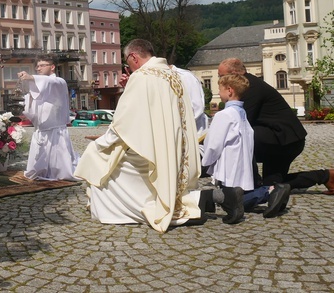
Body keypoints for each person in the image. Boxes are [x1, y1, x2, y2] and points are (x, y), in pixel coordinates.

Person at [75, 39, 242, 232]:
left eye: (126, 61)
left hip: (153, 148)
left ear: (133, 57)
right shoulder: (174, 75)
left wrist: (104, 142)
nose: (127, 65)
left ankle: (152, 210)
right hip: (177, 146)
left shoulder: (142, 77)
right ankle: (213, 198)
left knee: (102, 163)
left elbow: (124, 121)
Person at [218, 58, 334, 193]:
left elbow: (240, 123)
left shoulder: (250, 88)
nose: (220, 80)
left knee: (239, 140)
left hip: (283, 141)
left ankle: (249, 184)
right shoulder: (248, 85)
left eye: (221, 76)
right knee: (270, 186)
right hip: (281, 139)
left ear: (234, 73)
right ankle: (326, 176)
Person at [202, 74, 291, 219]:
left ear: (229, 90)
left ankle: (270, 191)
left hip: (229, 166)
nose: (218, 92)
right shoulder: (242, 114)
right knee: (241, 197)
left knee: (231, 200)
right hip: (242, 163)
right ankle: (270, 191)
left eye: (220, 89)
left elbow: (213, 144)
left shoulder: (223, 115)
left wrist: (206, 162)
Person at [17, 54, 79, 181]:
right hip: (42, 127)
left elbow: (49, 81)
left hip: (55, 127)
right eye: (37, 66)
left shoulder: (58, 81)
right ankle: (41, 171)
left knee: (58, 156)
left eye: (42, 65)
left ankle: (61, 172)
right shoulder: (41, 83)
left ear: (52, 67)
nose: (38, 68)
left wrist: (31, 77)